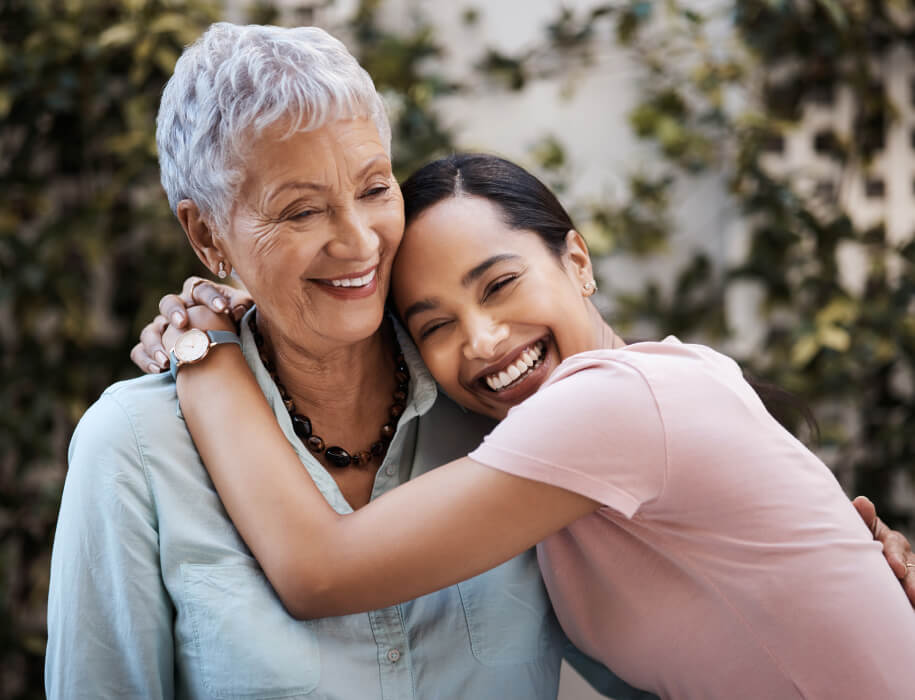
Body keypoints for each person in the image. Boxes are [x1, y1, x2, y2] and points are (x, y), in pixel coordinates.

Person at [138, 153, 915, 699]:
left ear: (576, 259)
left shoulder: (615, 404)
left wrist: (205, 350)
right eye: (435, 325)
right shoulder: (554, 458)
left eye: (500, 283)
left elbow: (320, 571)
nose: (480, 340)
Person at [47, 24, 641, 700]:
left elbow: (664, 660)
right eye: (301, 211)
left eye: (373, 189)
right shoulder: (133, 449)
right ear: (207, 233)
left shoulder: (492, 396)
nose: (358, 243)